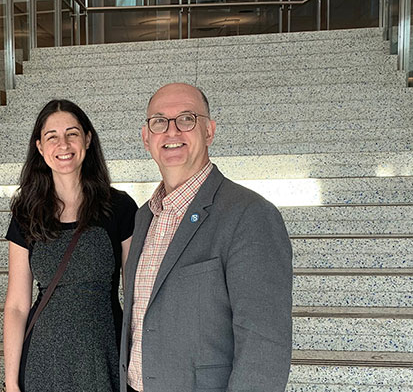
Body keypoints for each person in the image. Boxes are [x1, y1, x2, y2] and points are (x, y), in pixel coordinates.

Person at [120, 83, 292, 392]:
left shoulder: (250, 215)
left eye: (186, 119)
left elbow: (264, 344)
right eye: (159, 121)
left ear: (209, 131)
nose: (171, 132)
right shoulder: (144, 215)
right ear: (146, 138)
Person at [4, 99, 138, 392]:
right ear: (40, 147)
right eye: (52, 136)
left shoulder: (120, 207)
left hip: (102, 352)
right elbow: (16, 306)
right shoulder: (27, 212)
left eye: (72, 133)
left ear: (87, 139)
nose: (63, 144)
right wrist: (11, 382)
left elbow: (134, 296)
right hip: (42, 358)